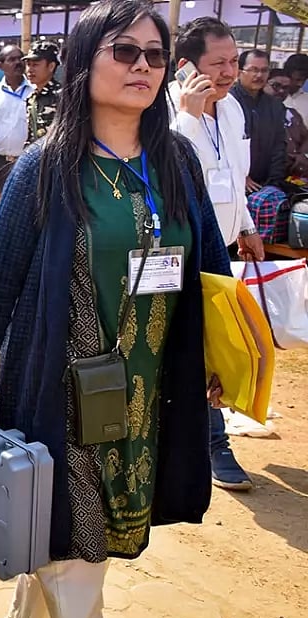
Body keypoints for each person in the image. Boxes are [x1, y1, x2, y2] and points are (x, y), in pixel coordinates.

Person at [0, 2, 231, 618]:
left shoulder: (177, 163)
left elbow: (209, 267)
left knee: (72, 545)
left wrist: (222, 359)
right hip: (62, 394)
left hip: (147, 399)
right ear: (84, 64)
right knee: (80, 562)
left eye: (156, 54)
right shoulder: (46, 167)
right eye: (124, 51)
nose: (143, 65)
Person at [173, 18, 266, 492]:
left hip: (223, 249)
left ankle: (210, 439)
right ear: (189, 66)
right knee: (199, 349)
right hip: (180, 255)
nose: (230, 72)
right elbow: (173, 181)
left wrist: (246, 225)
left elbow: (234, 175)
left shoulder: (231, 112)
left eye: (234, 61)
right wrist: (188, 118)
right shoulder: (164, 110)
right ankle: (212, 444)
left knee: (217, 347)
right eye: (219, 64)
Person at [231, 49, 286, 191]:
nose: (259, 75)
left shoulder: (275, 106)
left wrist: (274, 183)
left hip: (265, 184)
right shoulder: (227, 102)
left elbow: (279, 145)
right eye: (253, 70)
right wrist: (240, 175)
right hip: (234, 183)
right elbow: (225, 143)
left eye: (264, 70)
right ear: (239, 71)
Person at [0, 45, 33, 183]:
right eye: (11, 59)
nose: (18, 63)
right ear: (0, 65)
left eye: (20, 59)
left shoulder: (35, 92)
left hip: (24, 163)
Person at [267, 69, 308, 178]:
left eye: (286, 88)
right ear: (264, 84)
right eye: (276, 86)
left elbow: (306, 138)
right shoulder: (256, 113)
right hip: (267, 174)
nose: (281, 91)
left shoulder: (292, 113)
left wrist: (302, 156)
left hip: (295, 174)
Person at [23, 41, 61, 146]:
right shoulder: (31, 98)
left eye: (35, 65)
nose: (30, 70)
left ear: (51, 66)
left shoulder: (62, 96)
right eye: (28, 64)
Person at [281, 53, 308, 125]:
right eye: (297, 80)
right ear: (287, 75)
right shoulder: (273, 98)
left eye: (304, 80)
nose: (300, 84)